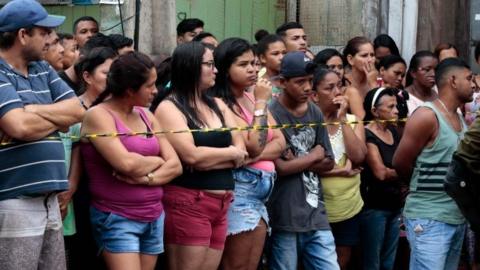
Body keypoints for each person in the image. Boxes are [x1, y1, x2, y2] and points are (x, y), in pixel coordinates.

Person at [0, 0, 85, 269]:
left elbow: (77, 111)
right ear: (23, 35)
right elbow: (19, 127)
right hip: (15, 200)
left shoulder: (43, 69)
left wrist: (33, 109)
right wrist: (55, 118)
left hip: (50, 200)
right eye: (44, 32)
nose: (51, 40)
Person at [80, 51, 182, 270]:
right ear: (129, 90)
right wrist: (156, 160)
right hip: (117, 216)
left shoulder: (146, 115)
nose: (156, 91)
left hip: (154, 214)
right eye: (150, 85)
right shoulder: (99, 115)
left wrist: (146, 178)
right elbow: (125, 164)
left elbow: (175, 165)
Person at [155, 42, 248, 270]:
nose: (215, 70)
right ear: (191, 67)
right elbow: (192, 156)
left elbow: (242, 149)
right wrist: (229, 154)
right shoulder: (169, 107)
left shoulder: (217, 104)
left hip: (223, 203)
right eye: (209, 64)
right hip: (189, 201)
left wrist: (217, 157)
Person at [209, 38, 286, 270]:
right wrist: (262, 102)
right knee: (237, 265)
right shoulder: (220, 102)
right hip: (240, 189)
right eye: (243, 65)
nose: (253, 69)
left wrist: (254, 156)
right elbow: (252, 145)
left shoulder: (250, 96)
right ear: (224, 68)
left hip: (261, 191)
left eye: (254, 63)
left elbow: (281, 141)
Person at [393, 58, 476, 270]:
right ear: (453, 81)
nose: (474, 84)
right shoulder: (427, 115)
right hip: (429, 217)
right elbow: (400, 162)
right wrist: (422, 187)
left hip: (455, 217)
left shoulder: (458, 116)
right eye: (469, 78)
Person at [267, 51, 339, 270]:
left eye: (310, 81)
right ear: (282, 82)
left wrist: (298, 161)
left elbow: (329, 161)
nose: (308, 87)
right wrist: (313, 155)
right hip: (285, 215)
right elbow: (279, 167)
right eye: (300, 82)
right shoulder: (272, 113)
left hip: (316, 213)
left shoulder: (314, 112)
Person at [310, 67, 366, 269]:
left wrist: (342, 119)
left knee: (342, 260)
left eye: (339, 86)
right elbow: (307, 166)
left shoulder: (352, 121)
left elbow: (359, 157)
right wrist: (341, 171)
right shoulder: (308, 124)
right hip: (314, 209)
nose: (337, 92)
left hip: (347, 208)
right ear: (314, 95)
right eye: (330, 88)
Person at [360, 87, 405, 270]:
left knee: (389, 260)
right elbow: (380, 173)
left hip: (394, 204)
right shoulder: (367, 134)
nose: (396, 111)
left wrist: (397, 171)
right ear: (375, 111)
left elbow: (397, 166)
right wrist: (403, 171)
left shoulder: (393, 131)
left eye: (396, 106)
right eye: (391, 107)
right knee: (373, 261)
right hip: (375, 207)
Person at [314, 48, 365, 118]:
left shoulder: (351, 92)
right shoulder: (312, 93)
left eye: (340, 67)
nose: (337, 71)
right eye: (332, 67)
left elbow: (361, 121)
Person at [405, 51, 438, 115]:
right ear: (413, 73)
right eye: (427, 70)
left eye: (436, 70)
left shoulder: (440, 94)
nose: (433, 74)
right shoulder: (403, 98)